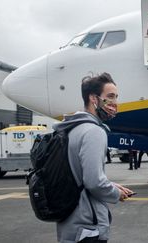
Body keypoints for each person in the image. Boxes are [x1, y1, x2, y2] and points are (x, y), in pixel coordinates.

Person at [53, 72, 133, 243]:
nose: (114, 103)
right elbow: (94, 182)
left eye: (116, 97)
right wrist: (114, 193)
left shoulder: (72, 128)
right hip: (87, 228)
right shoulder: (94, 131)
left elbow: (77, 174)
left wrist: (109, 183)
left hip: (70, 223)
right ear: (93, 99)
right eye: (110, 97)